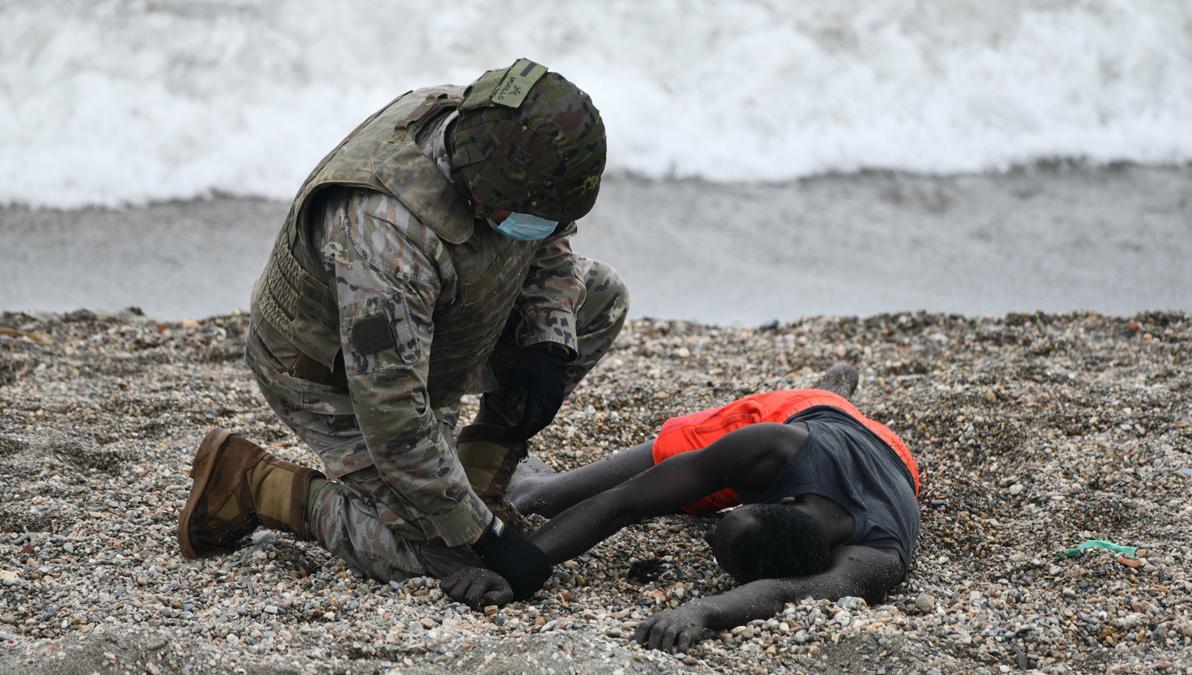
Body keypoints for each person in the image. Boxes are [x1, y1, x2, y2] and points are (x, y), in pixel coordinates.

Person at [177, 58, 627, 602]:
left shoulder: (502, 140)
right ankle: (257, 484)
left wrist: (547, 344)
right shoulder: (383, 233)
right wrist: (485, 538)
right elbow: (393, 419)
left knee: (598, 298)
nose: (550, 227)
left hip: (439, 328)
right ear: (486, 194)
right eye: (534, 214)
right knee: (440, 558)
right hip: (330, 374)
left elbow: (548, 241)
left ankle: (479, 471)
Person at [441, 364, 920, 652]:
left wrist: (705, 611)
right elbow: (624, 502)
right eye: (723, 526)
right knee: (543, 498)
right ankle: (832, 393)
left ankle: (842, 398)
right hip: (802, 414)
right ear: (778, 500)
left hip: (897, 459)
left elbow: (786, 593)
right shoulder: (772, 445)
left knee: (682, 496)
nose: (708, 532)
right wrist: (521, 565)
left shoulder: (880, 553)